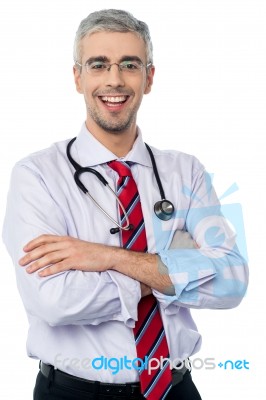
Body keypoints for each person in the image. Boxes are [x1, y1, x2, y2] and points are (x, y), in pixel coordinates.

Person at [2, 9, 248, 400]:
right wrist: (170, 268)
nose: (114, 79)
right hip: (73, 393)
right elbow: (54, 301)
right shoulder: (37, 176)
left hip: (177, 390)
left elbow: (231, 279)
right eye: (98, 64)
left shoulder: (186, 172)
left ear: (149, 77)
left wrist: (105, 257)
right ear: (78, 77)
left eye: (129, 65)